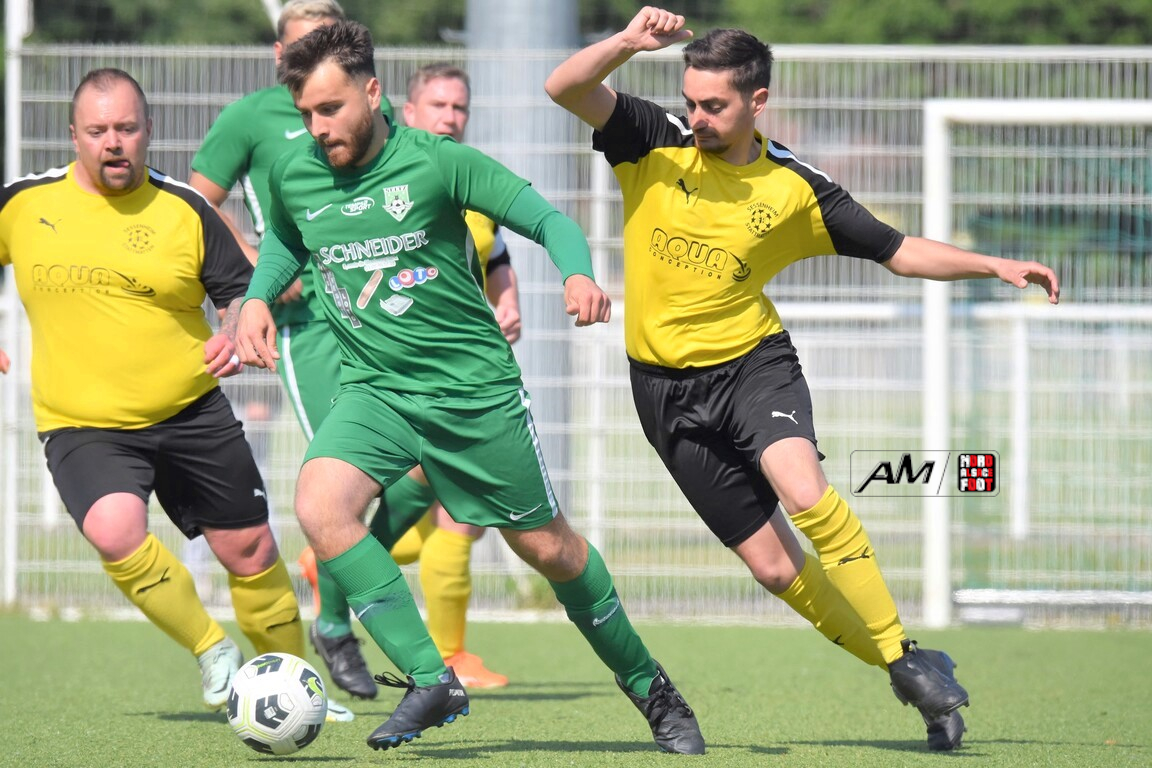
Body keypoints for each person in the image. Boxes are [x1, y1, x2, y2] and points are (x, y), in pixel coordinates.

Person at [545, 7, 1060, 753]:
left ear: (757, 101)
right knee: (774, 569)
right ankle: (913, 667)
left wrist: (994, 265)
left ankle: (900, 654)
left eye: (713, 105)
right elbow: (564, 88)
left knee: (804, 488)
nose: (697, 118)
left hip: (752, 367)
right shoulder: (652, 137)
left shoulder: (796, 188)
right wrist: (627, 42)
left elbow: (897, 249)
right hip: (661, 392)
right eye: (690, 101)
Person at [235, 20, 705, 754]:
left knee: (551, 551)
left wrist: (578, 274)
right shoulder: (294, 172)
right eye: (306, 114)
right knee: (321, 507)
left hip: (473, 395)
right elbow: (286, 241)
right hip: (375, 391)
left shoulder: (438, 163)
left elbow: (547, 219)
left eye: (330, 109)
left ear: (372, 92)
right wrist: (257, 297)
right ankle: (432, 680)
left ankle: (650, 685)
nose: (318, 127)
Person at [0, 68, 308, 714]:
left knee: (250, 549)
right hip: (83, 423)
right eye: (97, 131)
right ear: (74, 136)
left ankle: (298, 684)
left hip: (190, 410)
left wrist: (236, 330)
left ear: (149, 130)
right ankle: (211, 648)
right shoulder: (23, 204)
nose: (113, 142)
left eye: (126, 128)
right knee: (115, 530)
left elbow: (238, 293)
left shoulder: (186, 209)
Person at [189, 0, 385, 703]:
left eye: (327, 43)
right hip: (310, 328)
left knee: (417, 477)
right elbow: (197, 203)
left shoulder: (361, 111)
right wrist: (256, 268)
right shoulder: (250, 118)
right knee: (347, 477)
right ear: (279, 54)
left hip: (377, 317)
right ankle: (336, 621)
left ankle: (333, 603)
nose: (314, 59)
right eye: (302, 46)